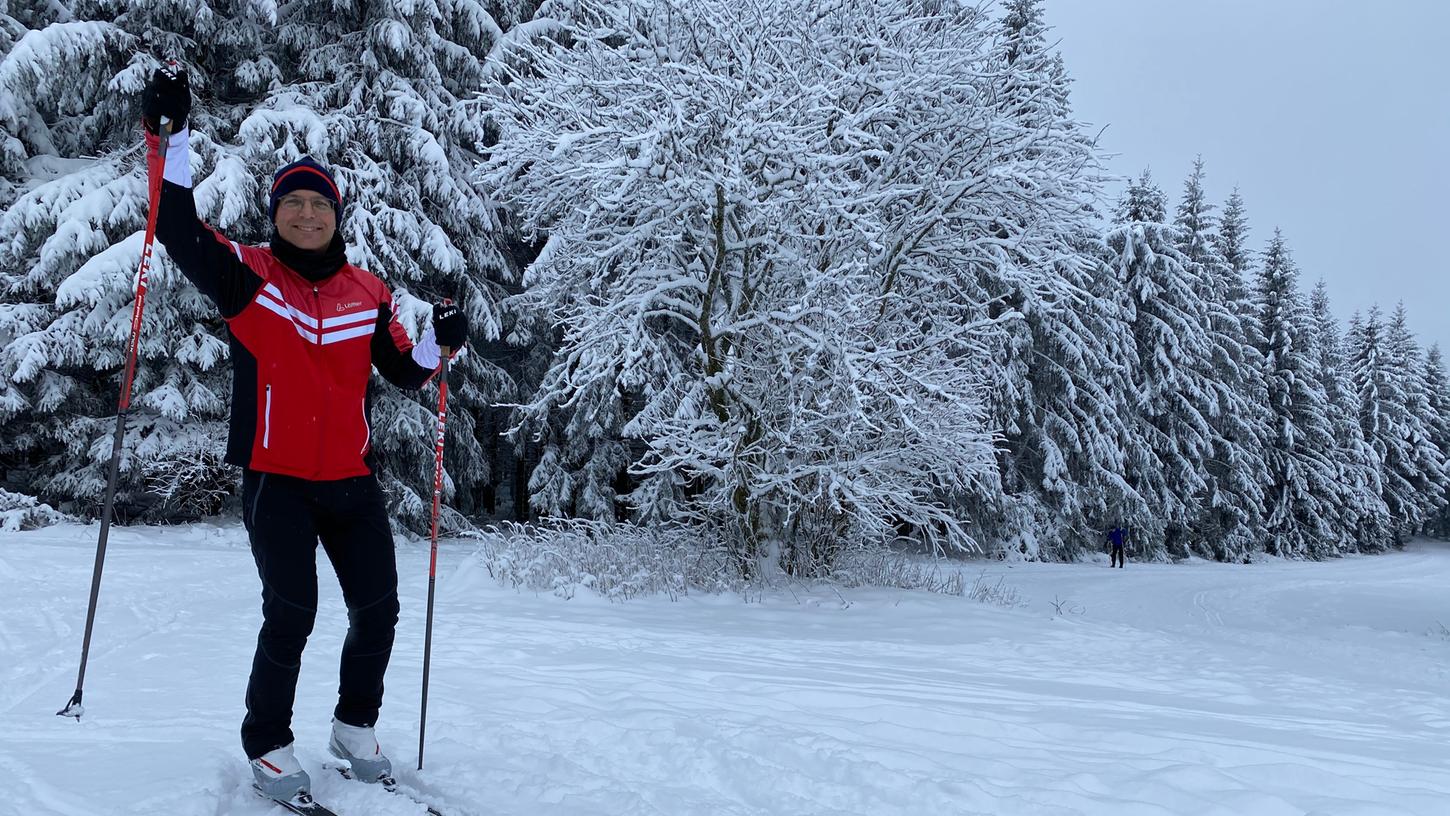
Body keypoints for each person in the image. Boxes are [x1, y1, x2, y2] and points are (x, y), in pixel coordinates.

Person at [140, 63, 468, 801]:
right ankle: (268, 744)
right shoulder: (247, 277)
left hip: (350, 480)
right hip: (276, 477)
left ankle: (354, 727)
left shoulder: (369, 291)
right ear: (276, 211)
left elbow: (405, 371)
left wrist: (441, 342)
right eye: (295, 203)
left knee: (378, 606)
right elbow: (176, 227)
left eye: (320, 204)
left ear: (337, 214)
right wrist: (171, 136)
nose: (308, 215)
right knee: (292, 609)